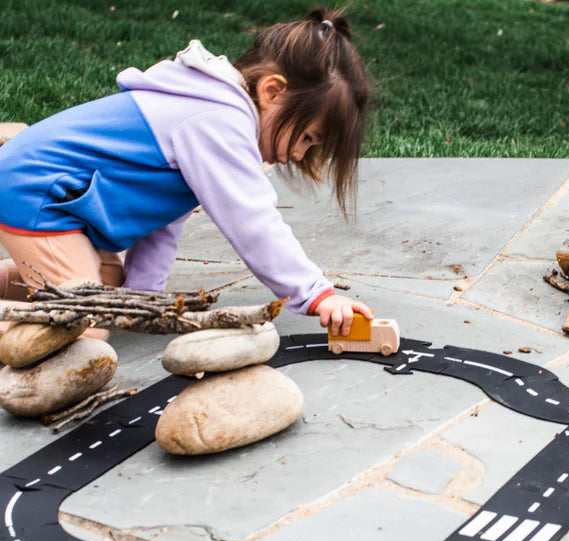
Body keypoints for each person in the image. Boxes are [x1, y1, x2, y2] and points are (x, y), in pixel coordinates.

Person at [0, 7, 373, 338]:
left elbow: (162, 218)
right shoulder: (220, 122)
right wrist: (314, 292)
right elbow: (252, 222)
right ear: (272, 92)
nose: (297, 154)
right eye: (307, 137)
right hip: (38, 195)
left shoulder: (210, 113)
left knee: (111, 290)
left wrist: (143, 297)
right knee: (87, 327)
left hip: (52, 197)